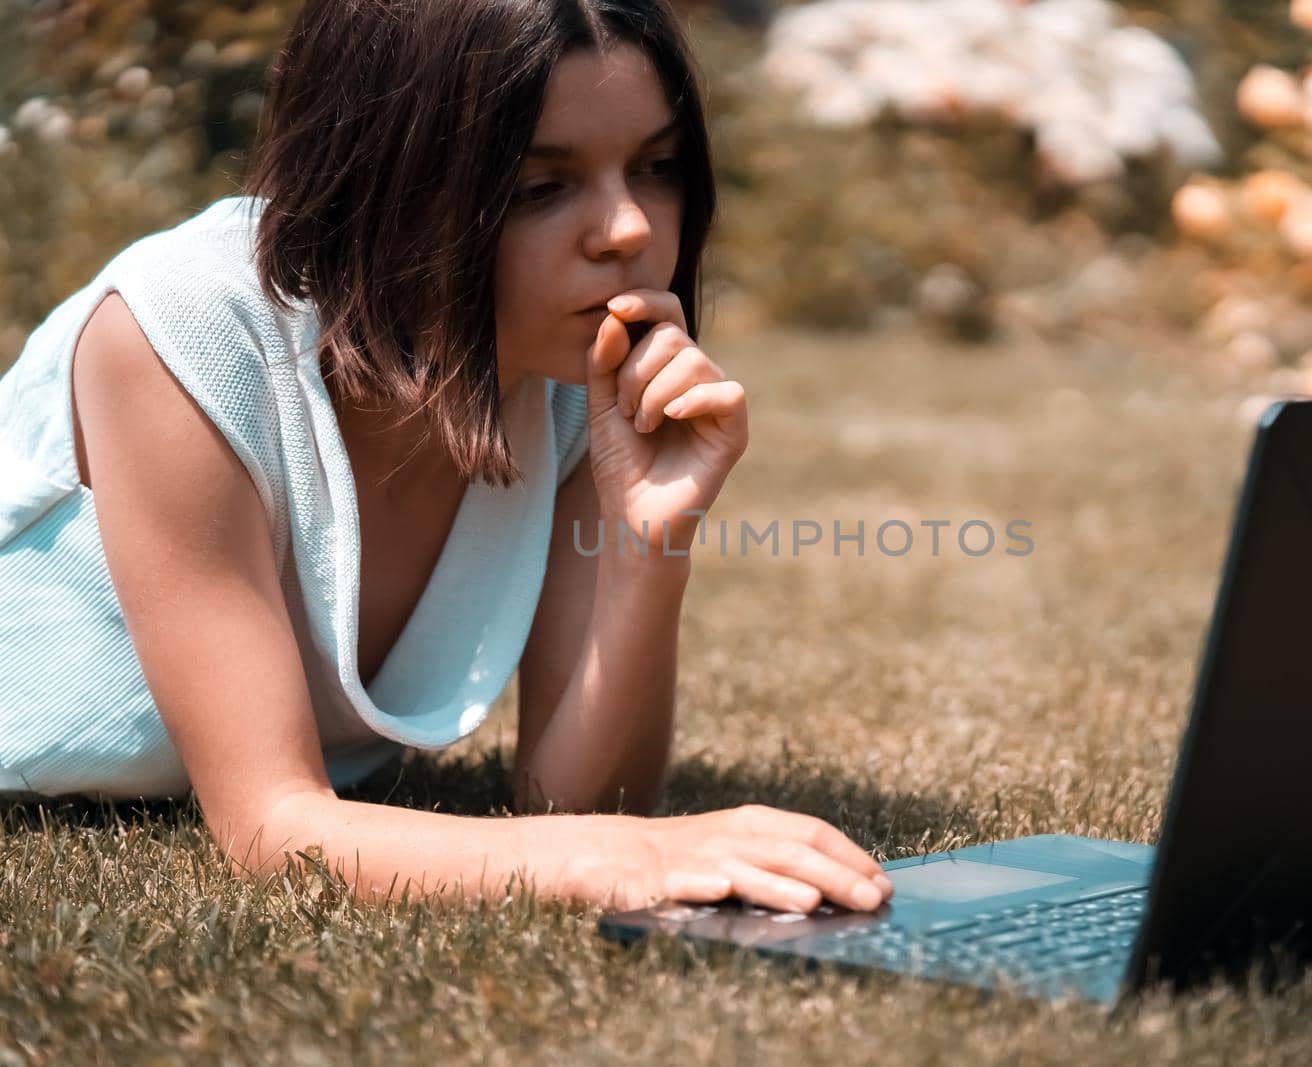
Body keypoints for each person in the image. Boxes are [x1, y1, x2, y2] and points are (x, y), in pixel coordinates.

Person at [0, 0, 894, 918]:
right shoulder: (184, 333)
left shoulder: (573, 372)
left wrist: (646, 545)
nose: (625, 229)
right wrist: (625, 853)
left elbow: (569, 798)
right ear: (387, 180)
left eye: (657, 168)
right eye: (539, 187)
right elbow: (271, 828)